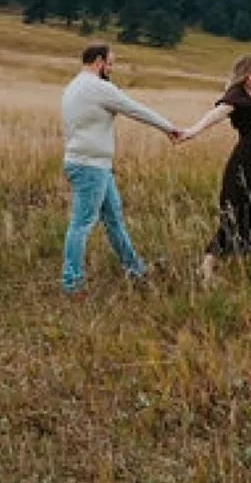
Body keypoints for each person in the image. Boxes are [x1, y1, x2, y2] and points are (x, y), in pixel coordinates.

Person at [60, 42, 182, 294]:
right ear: (98, 62)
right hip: (90, 166)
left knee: (113, 220)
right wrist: (169, 128)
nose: (111, 69)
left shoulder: (73, 86)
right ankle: (71, 284)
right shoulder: (97, 87)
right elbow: (134, 109)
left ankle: (134, 269)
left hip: (91, 164)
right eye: (110, 64)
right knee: (81, 224)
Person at [176, 54, 251, 285]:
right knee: (240, 214)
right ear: (243, 74)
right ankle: (206, 267)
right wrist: (192, 132)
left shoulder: (248, 96)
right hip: (250, 164)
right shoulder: (236, 96)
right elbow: (216, 114)